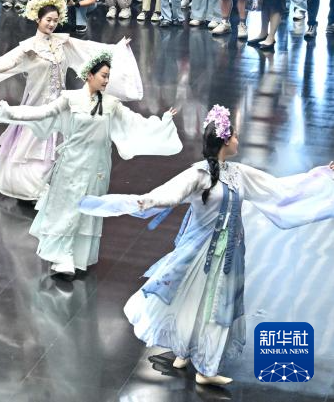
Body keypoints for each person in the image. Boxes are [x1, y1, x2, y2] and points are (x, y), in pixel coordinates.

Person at [78, 105, 334, 386]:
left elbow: (279, 189)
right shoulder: (197, 175)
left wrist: (322, 177)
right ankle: (203, 367)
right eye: (234, 135)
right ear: (224, 141)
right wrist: (130, 203)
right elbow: (162, 197)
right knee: (199, 303)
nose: (237, 139)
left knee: (211, 305)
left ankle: (191, 356)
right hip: (199, 252)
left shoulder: (239, 173)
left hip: (229, 254)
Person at [0, 52, 181, 277]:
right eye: (103, 76)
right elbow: (42, 113)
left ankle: (76, 255)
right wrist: (11, 112)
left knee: (87, 209)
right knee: (68, 208)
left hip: (97, 167)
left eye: (108, 76)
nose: (106, 81)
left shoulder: (111, 104)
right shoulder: (70, 99)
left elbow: (136, 124)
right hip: (72, 164)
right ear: (89, 75)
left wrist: (163, 123)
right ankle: (63, 255)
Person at [0, 0, 141, 201]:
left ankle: (48, 186)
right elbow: (6, 63)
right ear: (38, 19)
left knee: (55, 145)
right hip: (36, 103)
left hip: (59, 104)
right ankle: (30, 188)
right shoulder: (28, 48)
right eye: (48, 20)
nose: (52, 24)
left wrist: (117, 49)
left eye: (55, 20)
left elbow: (89, 50)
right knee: (33, 144)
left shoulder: (62, 42)